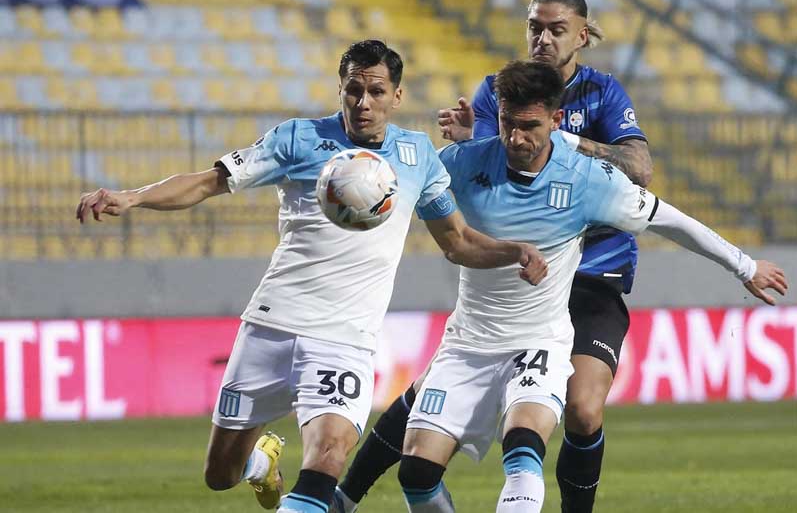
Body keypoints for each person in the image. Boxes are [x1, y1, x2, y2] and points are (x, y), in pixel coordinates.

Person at [75, 40, 547, 513]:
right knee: (220, 475)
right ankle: (261, 466)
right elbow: (208, 181)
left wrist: (514, 251)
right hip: (272, 325)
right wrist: (132, 198)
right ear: (340, 89)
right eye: (353, 90)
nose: (364, 103)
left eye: (376, 91)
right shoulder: (298, 139)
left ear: (397, 96)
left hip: (344, 338)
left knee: (328, 455)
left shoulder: (417, 156)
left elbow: (458, 241)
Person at [397, 60, 787, 513]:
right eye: (507, 123)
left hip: (538, 341)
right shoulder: (463, 164)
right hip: (467, 344)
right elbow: (402, 207)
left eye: (529, 126)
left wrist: (743, 265)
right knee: (417, 476)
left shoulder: (587, 181)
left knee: (522, 449)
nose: (515, 139)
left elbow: (670, 221)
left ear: (556, 120)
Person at [334, 0, 653, 512]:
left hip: (595, 269)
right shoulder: (499, 90)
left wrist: (565, 141)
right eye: (534, 27)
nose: (543, 38)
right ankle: (346, 495)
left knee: (584, 410)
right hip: (520, 273)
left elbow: (640, 170)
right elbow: (490, 163)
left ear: (582, 34)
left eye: (555, 29)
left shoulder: (603, 93)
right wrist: (467, 142)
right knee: (430, 391)